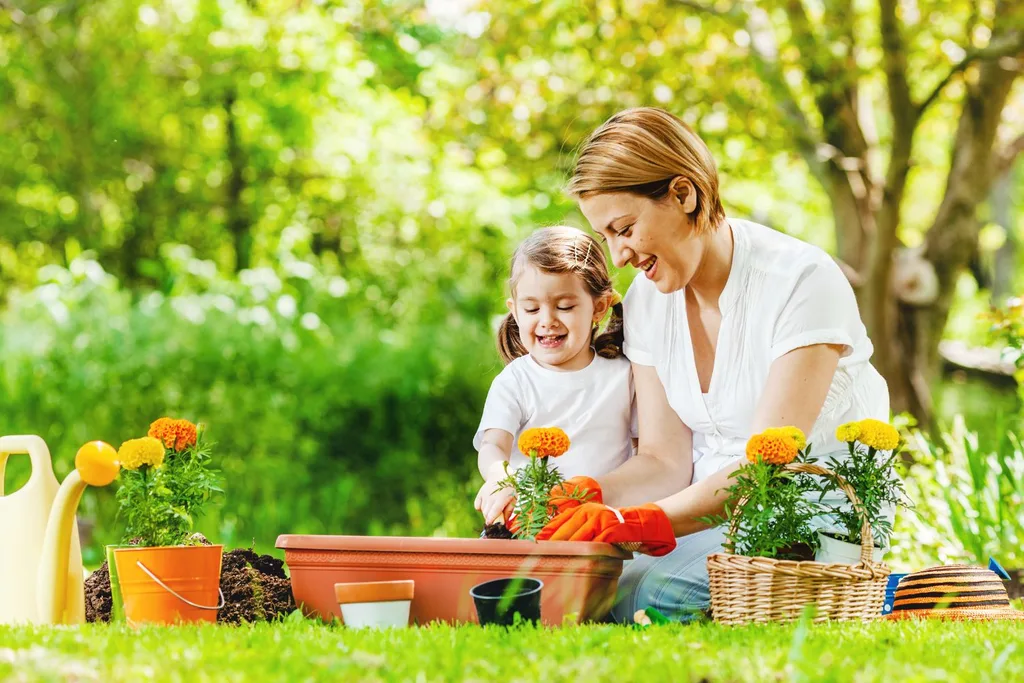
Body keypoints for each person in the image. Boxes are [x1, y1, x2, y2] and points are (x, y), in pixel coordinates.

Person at [535, 107, 891, 622]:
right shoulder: (648, 303)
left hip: (807, 524)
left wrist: (641, 523)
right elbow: (664, 459)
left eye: (625, 228)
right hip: (700, 522)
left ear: (684, 194)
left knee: (651, 595)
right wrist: (590, 495)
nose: (618, 256)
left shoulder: (800, 281)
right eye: (606, 236)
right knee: (581, 586)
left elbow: (769, 467)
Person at [473, 226, 638, 526]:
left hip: (599, 527)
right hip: (529, 525)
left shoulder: (623, 375)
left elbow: (644, 453)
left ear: (598, 308)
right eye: (532, 308)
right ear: (515, 311)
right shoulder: (516, 381)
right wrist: (502, 479)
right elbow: (493, 446)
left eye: (564, 306)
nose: (547, 321)